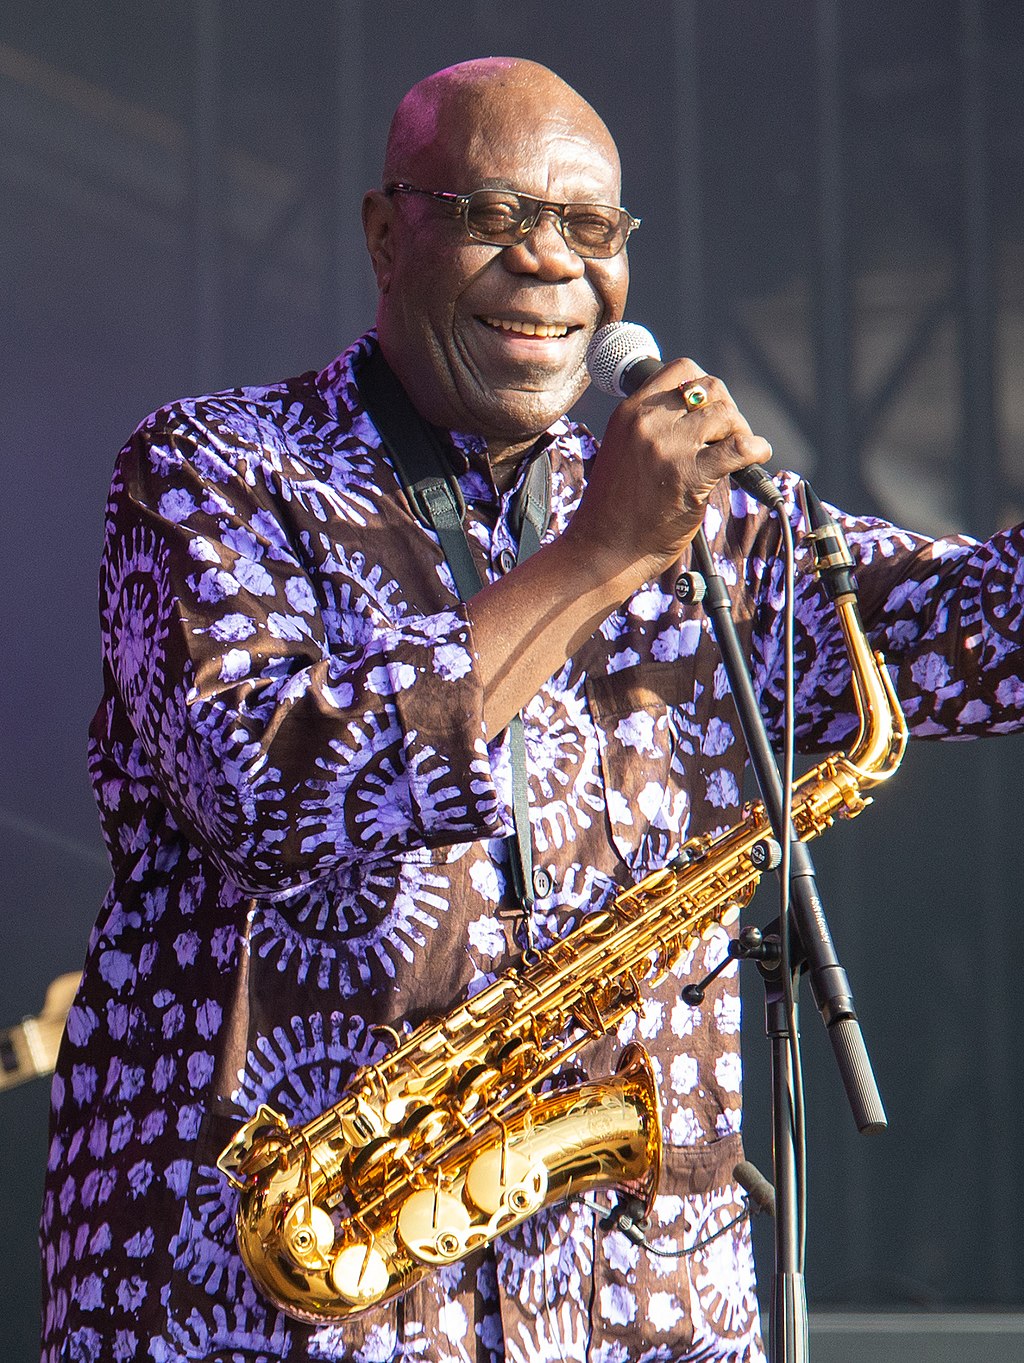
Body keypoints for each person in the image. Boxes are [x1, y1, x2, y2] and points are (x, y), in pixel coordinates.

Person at [39, 56, 1024, 1363]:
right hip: (276, 1296)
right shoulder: (212, 472)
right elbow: (264, 792)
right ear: (387, 234)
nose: (551, 262)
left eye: (588, 227)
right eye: (497, 215)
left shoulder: (713, 528)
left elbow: (978, 635)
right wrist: (597, 558)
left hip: (627, 1303)